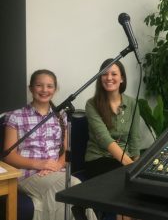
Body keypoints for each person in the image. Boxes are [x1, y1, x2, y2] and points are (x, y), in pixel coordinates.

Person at [3, 69, 95, 220]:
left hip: (54, 173)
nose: (44, 90)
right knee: (74, 184)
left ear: (55, 89)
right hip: (26, 175)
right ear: (31, 88)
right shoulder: (15, 116)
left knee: (62, 193)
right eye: (39, 85)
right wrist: (40, 164)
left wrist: (57, 166)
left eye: (49, 86)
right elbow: (8, 156)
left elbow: (66, 152)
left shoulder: (61, 116)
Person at [84, 58, 141, 179]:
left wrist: (137, 164)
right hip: (99, 159)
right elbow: (105, 139)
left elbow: (134, 138)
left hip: (125, 159)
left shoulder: (132, 103)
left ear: (122, 78)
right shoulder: (92, 104)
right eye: (104, 74)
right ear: (100, 78)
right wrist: (132, 166)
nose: (109, 78)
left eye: (114, 74)